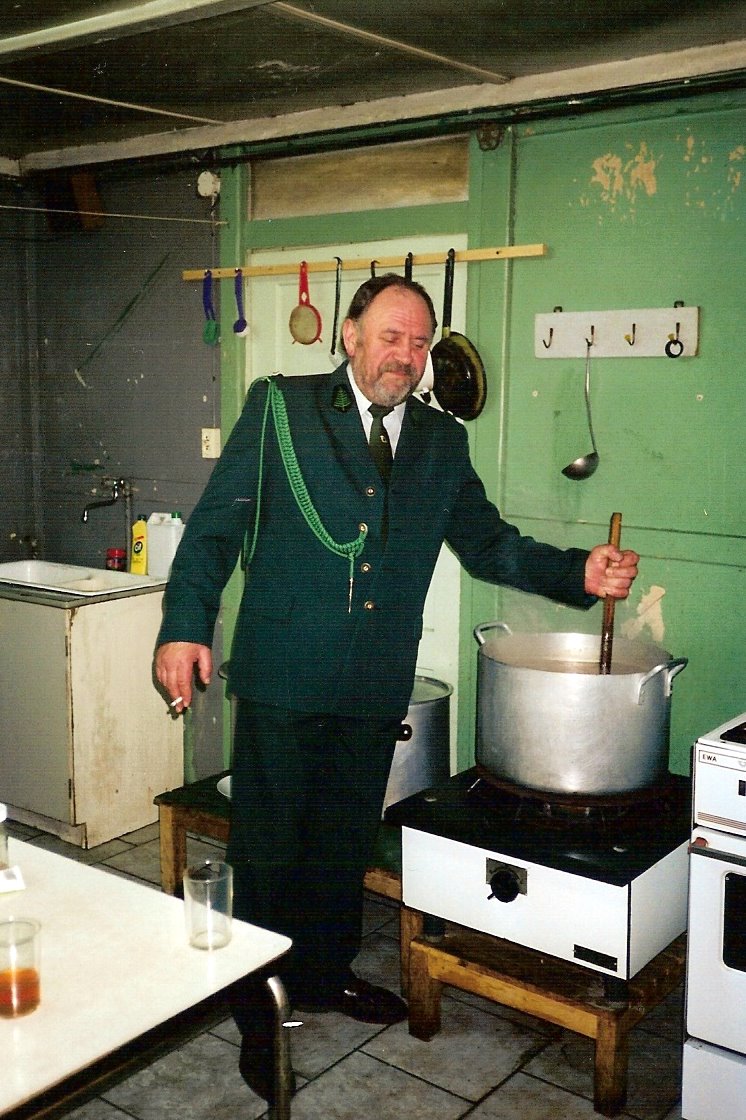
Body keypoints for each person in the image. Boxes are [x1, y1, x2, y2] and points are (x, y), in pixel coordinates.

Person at [154, 272, 639, 1101]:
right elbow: (214, 528)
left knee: (342, 839)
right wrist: (184, 625)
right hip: (282, 673)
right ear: (349, 336)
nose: (406, 357)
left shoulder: (442, 441)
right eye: (390, 337)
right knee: (269, 850)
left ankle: (321, 975)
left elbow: (489, 544)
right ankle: (259, 1010)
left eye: (419, 343)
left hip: (375, 681)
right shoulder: (281, 408)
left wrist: (579, 573)